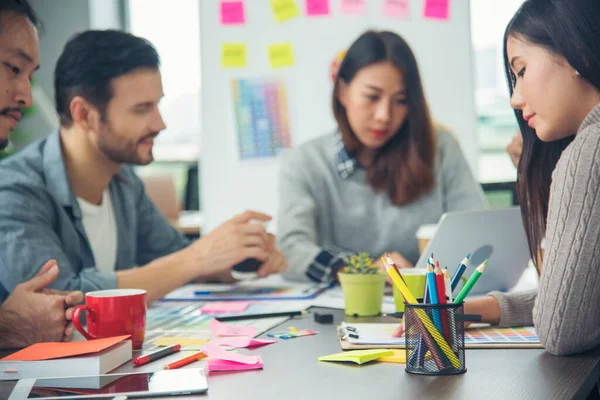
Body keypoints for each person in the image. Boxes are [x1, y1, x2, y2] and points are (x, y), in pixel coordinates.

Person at [0, 29, 287, 305]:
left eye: (158, 105)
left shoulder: (123, 181)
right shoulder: (13, 190)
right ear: (84, 114)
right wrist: (196, 258)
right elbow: (59, 302)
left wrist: (243, 256)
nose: (160, 124)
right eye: (142, 109)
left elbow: (178, 260)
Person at [400, 0, 600, 356]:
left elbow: (560, 330)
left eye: (521, 71)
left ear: (577, 52)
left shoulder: (589, 149)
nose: (514, 98)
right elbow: (579, 295)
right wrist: (480, 308)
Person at [277, 30, 487, 284]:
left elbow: (476, 230)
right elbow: (289, 250)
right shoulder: (304, 162)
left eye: (400, 101)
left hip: (424, 304)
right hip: (343, 308)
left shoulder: (439, 147)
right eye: (372, 97)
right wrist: (361, 271)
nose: (384, 116)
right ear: (342, 92)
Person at [0, 0, 83, 348]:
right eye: (13, 69)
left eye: (30, 76)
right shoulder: (16, 183)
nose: (27, 97)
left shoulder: (126, 183)